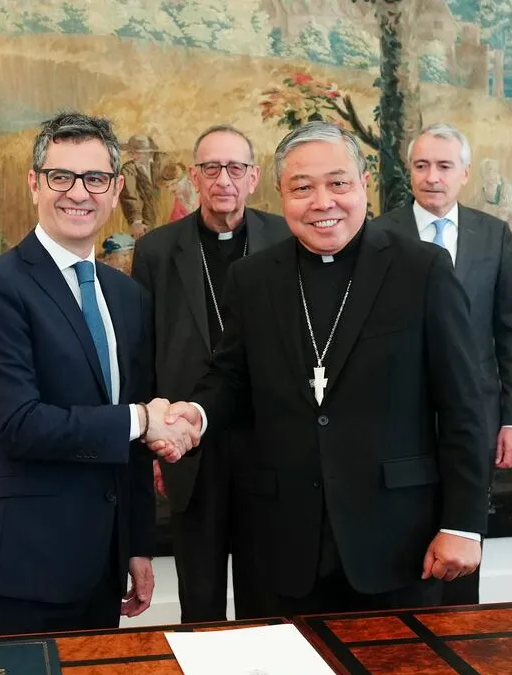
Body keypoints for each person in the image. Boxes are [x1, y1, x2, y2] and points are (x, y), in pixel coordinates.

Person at [156, 121, 492, 615]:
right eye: (302, 188)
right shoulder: (253, 278)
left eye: (338, 183)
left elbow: (464, 406)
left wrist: (462, 523)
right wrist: (197, 414)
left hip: (397, 540)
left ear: (363, 185)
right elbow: (229, 378)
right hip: (280, 540)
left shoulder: (422, 270)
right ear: (280, 194)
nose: (322, 202)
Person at [0, 111, 197, 637]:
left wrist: (136, 544)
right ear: (34, 183)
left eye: (95, 178)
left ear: (116, 188)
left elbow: (132, 443)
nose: (78, 193)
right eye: (61, 176)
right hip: (21, 567)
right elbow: (18, 424)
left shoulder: (127, 296)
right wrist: (141, 419)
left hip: (101, 566)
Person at [130, 124, 291, 622]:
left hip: (267, 446)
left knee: (267, 599)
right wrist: (154, 437)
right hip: (189, 446)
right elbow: (144, 351)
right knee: (200, 601)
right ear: (194, 176)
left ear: (254, 177)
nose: (224, 179)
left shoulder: (285, 238)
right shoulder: (157, 250)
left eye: (235, 168)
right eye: (212, 168)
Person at [375, 123, 512, 605]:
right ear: (409, 172)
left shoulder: (493, 234)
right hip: (400, 416)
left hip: (476, 415)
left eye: (444, 166)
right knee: (402, 538)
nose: (432, 177)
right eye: (421, 166)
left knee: (464, 534)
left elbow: (510, 330)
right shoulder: (380, 235)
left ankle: (460, 636)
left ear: (465, 173)